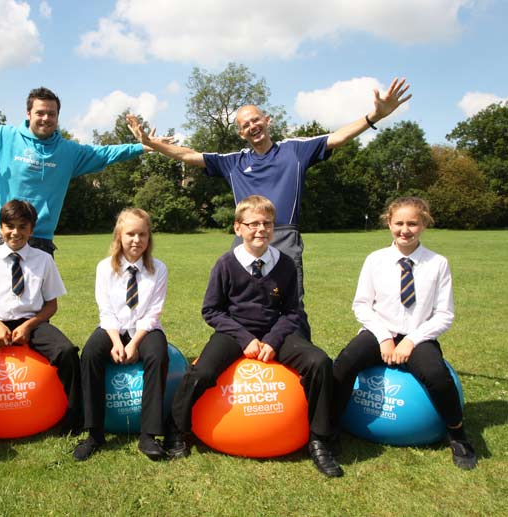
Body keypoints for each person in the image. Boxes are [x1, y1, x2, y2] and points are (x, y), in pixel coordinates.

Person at [126, 78, 412, 338]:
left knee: (290, 305)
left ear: (267, 120)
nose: (252, 126)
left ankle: (300, 361)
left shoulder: (295, 150)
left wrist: (374, 116)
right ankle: (239, 352)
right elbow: (189, 156)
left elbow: (338, 137)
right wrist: (151, 144)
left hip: (284, 237)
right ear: (241, 133)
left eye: (256, 119)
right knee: (238, 303)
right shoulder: (233, 161)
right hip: (244, 240)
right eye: (245, 124)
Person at [0, 61, 170, 256]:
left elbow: (105, 153)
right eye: (40, 112)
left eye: (51, 114)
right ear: (28, 113)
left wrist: (143, 147)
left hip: (40, 241)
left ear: (57, 117)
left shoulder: (68, 152)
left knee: (37, 320)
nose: (46, 118)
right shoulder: (1, 139)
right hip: (1, 237)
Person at [166, 195, 343, 477]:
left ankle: (319, 439)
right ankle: (177, 430)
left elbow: (293, 311)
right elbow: (211, 310)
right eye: (253, 224)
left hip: (278, 332)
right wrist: (244, 338)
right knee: (200, 373)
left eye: (267, 224)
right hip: (234, 333)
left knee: (319, 361)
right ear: (238, 228)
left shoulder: (285, 264)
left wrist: (273, 340)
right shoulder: (225, 264)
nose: (261, 230)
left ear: (274, 228)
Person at [332, 197, 477, 470]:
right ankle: (329, 429)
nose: (405, 229)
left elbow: (444, 314)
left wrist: (411, 340)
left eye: (412, 223)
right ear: (389, 222)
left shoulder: (438, 263)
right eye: (399, 223)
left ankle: (457, 434)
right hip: (378, 332)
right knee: (343, 364)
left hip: (418, 336)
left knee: (437, 376)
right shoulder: (375, 260)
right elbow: (361, 305)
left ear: (424, 224)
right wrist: (384, 337)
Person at [0, 199, 81, 450]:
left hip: (32, 321)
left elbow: (51, 306)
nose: (15, 232)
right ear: (0, 227)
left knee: (66, 352)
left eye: (22, 226)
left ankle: (74, 416)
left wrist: (30, 325)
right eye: (10, 226)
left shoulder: (43, 260)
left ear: (31, 230)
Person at [73, 209, 169, 462]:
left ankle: (149, 435)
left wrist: (135, 342)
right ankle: (94, 432)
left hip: (145, 329)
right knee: (91, 353)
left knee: (158, 355)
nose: (136, 240)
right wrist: (116, 342)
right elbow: (105, 310)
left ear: (149, 238)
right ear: (119, 236)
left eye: (142, 234)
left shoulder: (159, 269)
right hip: (113, 327)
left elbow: (153, 313)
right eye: (130, 234)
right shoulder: (104, 268)